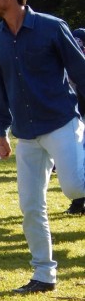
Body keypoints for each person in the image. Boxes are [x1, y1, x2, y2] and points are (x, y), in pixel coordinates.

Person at [0, 0, 85, 294]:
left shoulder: (52, 27)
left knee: (73, 187)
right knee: (30, 205)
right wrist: (1, 131)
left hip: (61, 122)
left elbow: (81, 72)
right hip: (25, 132)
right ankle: (44, 274)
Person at [64, 28, 85, 215]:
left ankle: (78, 202)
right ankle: (78, 203)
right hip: (73, 116)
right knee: (76, 159)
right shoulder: (66, 64)